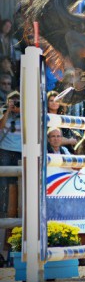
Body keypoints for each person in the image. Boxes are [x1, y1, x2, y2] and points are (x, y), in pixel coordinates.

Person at [0, 90, 21, 219]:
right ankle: (3, 207)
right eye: (12, 102)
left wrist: (21, 110)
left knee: (17, 180)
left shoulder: (25, 113)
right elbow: (1, 126)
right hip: (5, 150)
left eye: (17, 102)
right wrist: (8, 111)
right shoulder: (3, 111)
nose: (15, 104)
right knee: (4, 179)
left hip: (19, 150)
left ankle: (15, 208)